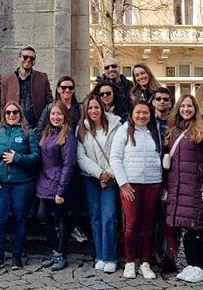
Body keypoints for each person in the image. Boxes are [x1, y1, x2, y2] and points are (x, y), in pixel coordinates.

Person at [109, 101, 163, 281]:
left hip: (153, 184)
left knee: (148, 225)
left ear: (151, 114)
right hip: (130, 185)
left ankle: (145, 262)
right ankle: (130, 261)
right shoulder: (124, 131)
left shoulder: (154, 132)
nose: (141, 116)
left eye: (145, 113)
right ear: (132, 114)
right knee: (131, 224)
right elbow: (115, 157)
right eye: (138, 112)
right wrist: (123, 183)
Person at [164, 94, 203, 284]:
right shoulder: (174, 131)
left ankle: (199, 267)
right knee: (184, 227)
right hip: (177, 186)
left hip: (194, 187)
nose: (186, 109)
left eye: (190, 106)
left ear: (195, 109)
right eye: (183, 106)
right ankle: (191, 265)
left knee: (196, 228)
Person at [0, 101, 39, 271]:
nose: (11, 115)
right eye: (8, 112)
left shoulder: (27, 132)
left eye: (14, 112)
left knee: (19, 219)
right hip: (1, 184)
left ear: (19, 113)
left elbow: (35, 157)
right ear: (4, 114)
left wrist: (17, 158)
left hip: (22, 183)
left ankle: (17, 256)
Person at [76, 92, 121, 272]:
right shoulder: (81, 129)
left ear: (102, 108)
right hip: (91, 178)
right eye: (90, 108)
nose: (93, 111)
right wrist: (99, 173)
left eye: (96, 107)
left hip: (111, 178)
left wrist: (108, 173)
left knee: (109, 216)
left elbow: (120, 152)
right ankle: (99, 255)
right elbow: (80, 157)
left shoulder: (116, 126)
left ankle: (110, 257)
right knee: (95, 217)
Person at [36, 101, 78, 271]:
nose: (55, 117)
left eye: (59, 114)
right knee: (42, 216)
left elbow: (69, 165)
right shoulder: (47, 133)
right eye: (53, 114)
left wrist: (61, 190)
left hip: (60, 183)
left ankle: (61, 253)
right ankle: (55, 251)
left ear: (65, 116)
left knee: (61, 219)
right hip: (45, 182)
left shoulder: (67, 136)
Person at [151, 86, 177, 272]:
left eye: (165, 99)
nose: (162, 102)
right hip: (152, 173)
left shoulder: (176, 123)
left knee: (170, 215)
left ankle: (169, 253)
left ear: (170, 102)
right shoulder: (147, 121)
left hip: (173, 173)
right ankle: (153, 253)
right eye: (158, 98)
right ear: (153, 101)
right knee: (153, 215)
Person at [0, 46, 52, 129]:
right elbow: (2, 105)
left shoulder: (42, 78)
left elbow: (49, 102)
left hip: (36, 127)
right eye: (25, 57)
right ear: (19, 58)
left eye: (32, 58)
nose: (28, 60)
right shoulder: (7, 80)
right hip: (13, 126)